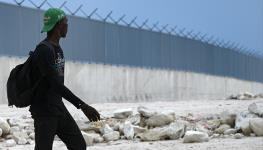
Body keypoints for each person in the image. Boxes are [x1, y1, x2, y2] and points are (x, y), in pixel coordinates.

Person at [29, 8, 100, 150]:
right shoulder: (43, 50)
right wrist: (82, 106)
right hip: (44, 112)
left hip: (57, 107)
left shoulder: (57, 49)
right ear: (58, 25)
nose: (67, 26)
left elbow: (57, 85)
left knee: (78, 145)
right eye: (66, 22)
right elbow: (55, 84)